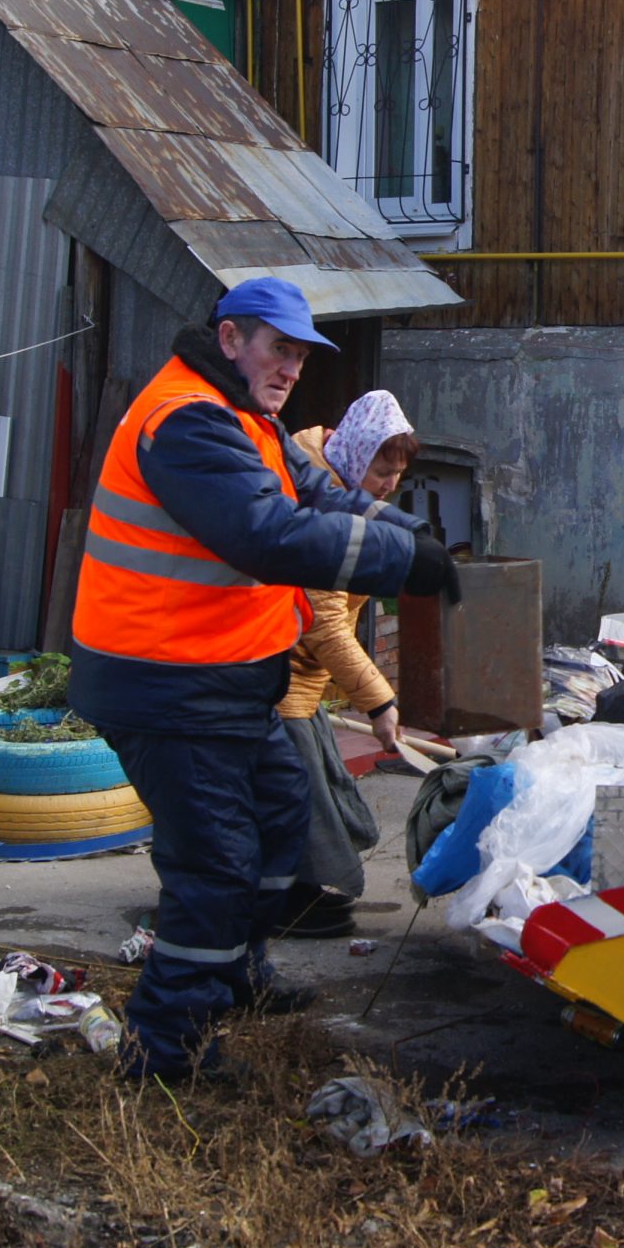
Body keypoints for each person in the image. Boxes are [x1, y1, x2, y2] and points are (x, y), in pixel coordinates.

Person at [70, 277, 459, 1082]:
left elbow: (318, 489)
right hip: (166, 685)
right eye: (277, 348)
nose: (291, 368)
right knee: (214, 870)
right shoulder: (186, 423)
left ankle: (235, 972)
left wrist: (415, 535)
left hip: (225, 680)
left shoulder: (248, 419)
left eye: (301, 354)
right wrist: (398, 562)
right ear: (230, 339)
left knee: (282, 822)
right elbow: (267, 533)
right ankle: (163, 1049)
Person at [269, 390, 423, 938]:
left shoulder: (333, 483)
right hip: (274, 669)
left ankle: (302, 891)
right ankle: (288, 903)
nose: (387, 486)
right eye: (382, 470)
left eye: (396, 477)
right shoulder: (318, 502)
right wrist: (381, 701)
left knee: (316, 783)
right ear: (356, 455)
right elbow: (324, 620)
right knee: (297, 788)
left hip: (301, 673)